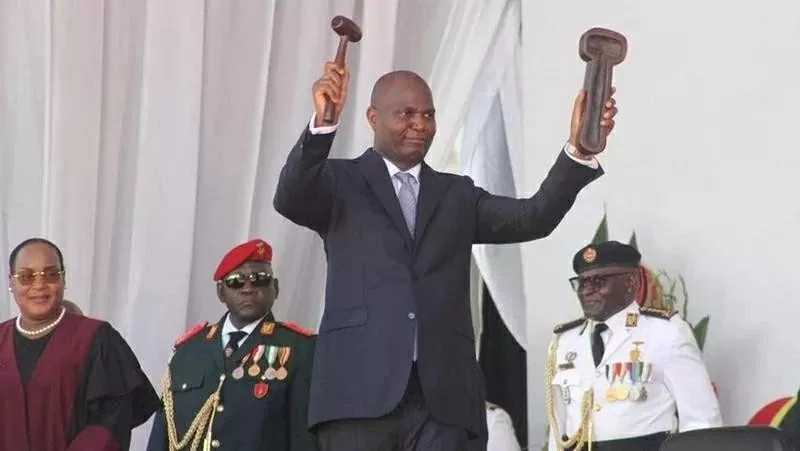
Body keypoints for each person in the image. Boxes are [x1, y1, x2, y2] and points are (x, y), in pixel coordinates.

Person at [273, 61, 619, 451]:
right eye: (406, 114)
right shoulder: (340, 183)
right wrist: (322, 127)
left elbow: (533, 217)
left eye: (429, 115)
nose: (420, 124)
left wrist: (579, 150)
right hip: (357, 394)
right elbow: (290, 198)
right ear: (374, 118)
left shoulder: (457, 194)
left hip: (443, 402)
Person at [546, 241, 722, 451]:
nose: (586, 291)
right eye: (582, 283)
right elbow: (558, 428)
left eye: (598, 281)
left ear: (630, 282)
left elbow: (701, 421)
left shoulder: (666, 332)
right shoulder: (565, 341)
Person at [147, 238, 317, 451]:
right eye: (236, 281)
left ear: (275, 288)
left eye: (260, 279)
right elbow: (163, 431)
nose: (248, 288)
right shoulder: (188, 350)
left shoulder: (300, 348)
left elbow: (304, 438)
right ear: (221, 292)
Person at [0, 237, 161, 451]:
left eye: (51, 274)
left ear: (63, 280)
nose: (39, 285)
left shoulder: (97, 339)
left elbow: (112, 419)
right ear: (11, 282)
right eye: (26, 277)